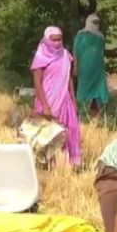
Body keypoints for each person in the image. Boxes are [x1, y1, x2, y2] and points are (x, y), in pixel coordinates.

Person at [30, 26, 82, 168]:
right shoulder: (40, 57)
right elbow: (37, 82)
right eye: (54, 40)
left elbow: (68, 79)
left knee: (66, 132)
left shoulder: (65, 55)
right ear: (47, 40)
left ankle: (62, 164)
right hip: (47, 101)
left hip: (64, 101)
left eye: (60, 39)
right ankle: (45, 163)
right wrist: (45, 105)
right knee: (46, 133)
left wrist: (73, 99)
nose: (57, 43)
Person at [73, 14, 111, 119]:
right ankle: (81, 115)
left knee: (98, 92)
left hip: (98, 69)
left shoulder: (100, 36)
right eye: (94, 22)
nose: (96, 24)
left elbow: (101, 52)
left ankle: (97, 117)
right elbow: (76, 50)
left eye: (97, 22)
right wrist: (76, 65)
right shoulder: (81, 35)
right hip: (84, 68)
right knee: (83, 91)